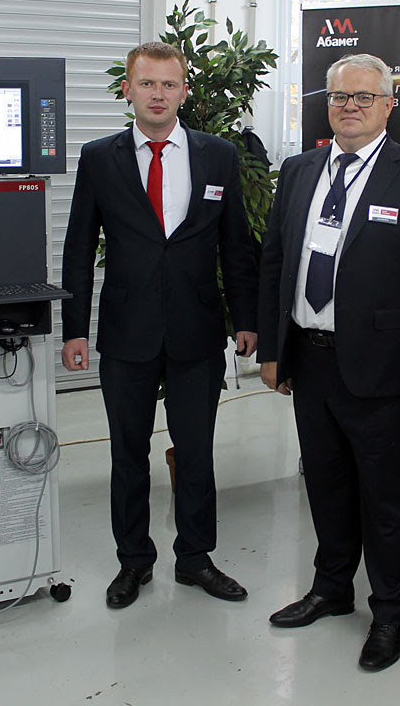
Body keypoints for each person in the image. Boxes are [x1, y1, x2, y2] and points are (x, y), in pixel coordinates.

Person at [257, 53, 400, 671]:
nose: (349, 106)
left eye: (364, 97)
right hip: (310, 361)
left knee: (386, 500)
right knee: (326, 486)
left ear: (388, 105)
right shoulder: (299, 170)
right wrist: (274, 350)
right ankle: (331, 589)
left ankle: (390, 613)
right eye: (339, 96)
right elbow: (276, 261)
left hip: (383, 371)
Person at [62, 41, 259, 609]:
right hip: (127, 330)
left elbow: (236, 246)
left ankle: (195, 558)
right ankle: (133, 561)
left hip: (198, 329)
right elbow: (79, 247)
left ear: (184, 92)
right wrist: (74, 329)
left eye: (169, 84)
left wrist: (245, 319)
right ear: (127, 89)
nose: (157, 94)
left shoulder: (218, 155)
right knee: (128, 455)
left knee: (196, 452)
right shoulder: (99, 158)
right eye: (147, 83)